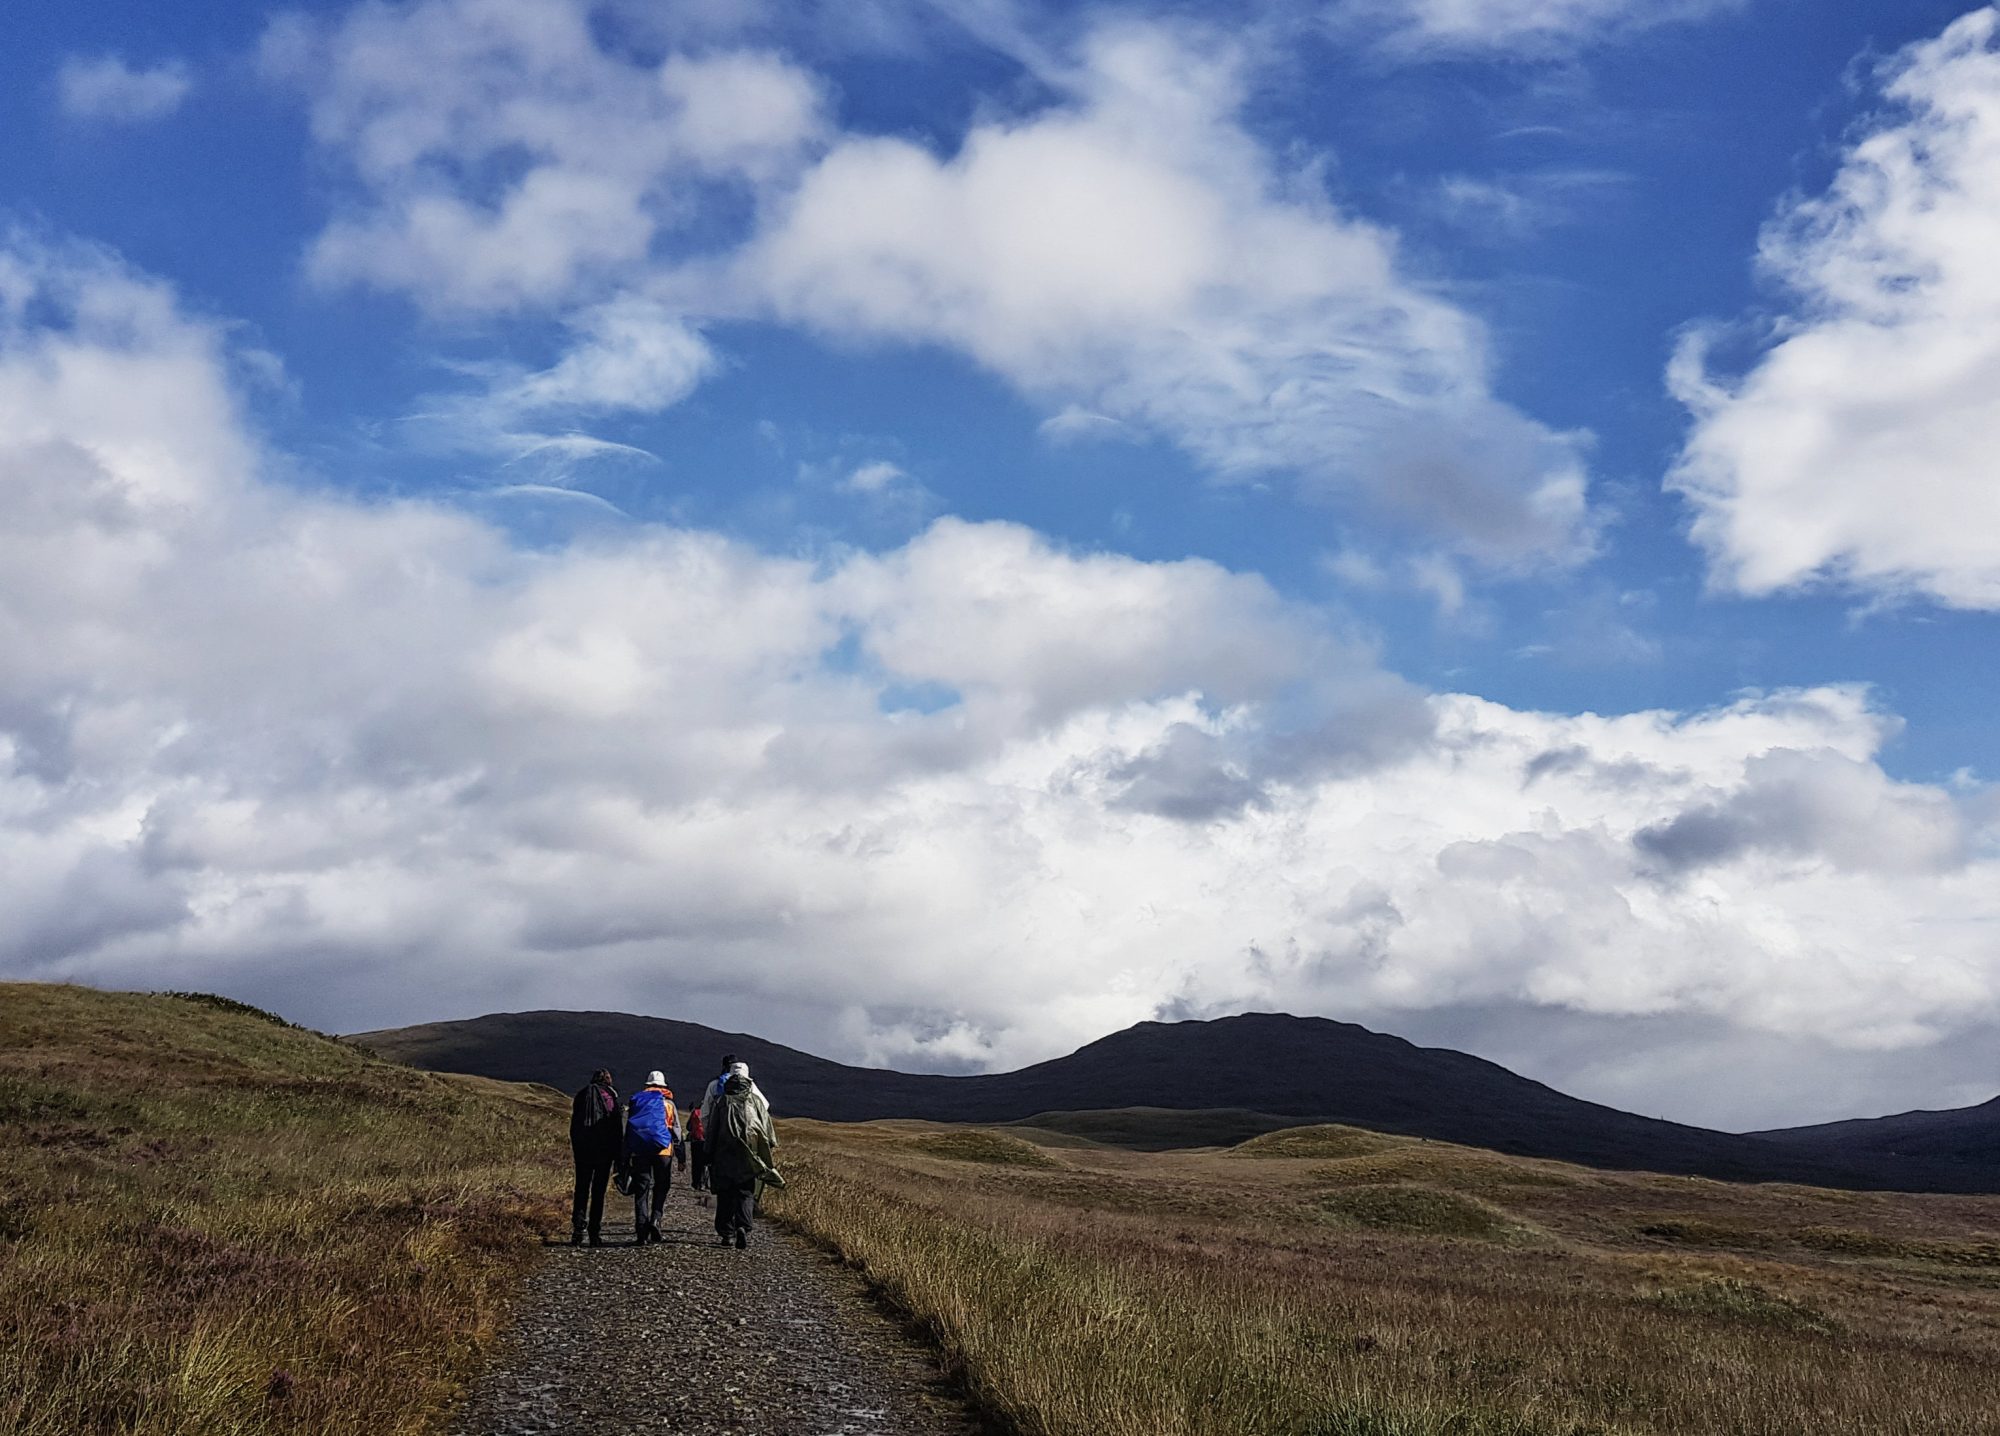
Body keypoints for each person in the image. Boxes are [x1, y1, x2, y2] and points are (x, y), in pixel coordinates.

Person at [707, 1068, 781, 1249]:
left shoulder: (721, 1101)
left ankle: (727, 1234)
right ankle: (743, 1226)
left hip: (724, 1154)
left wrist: (708, 1154)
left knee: (725, 1194)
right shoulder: (755, 1101)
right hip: (750, 1155)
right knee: (745, 1192)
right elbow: (766, 1128)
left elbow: (712, 1130)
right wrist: (768, 1150)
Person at [625, 1071, 680, 1246]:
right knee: (662, 1186)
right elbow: (676, 1131)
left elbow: (630, 1127)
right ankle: (656, 1218)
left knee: (642, 1190)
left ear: (647, 1085)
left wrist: (626, 1154)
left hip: (640, 1151)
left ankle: (641, 1231)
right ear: (663, 1086)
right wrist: (681, 1155)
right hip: (663, 1152)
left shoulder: (637, 1101)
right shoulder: (668, 1104)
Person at [568, 1068, 622, 1247]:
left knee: (581, 1188)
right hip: (603, 1152)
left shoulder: (582, 1094)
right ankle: (594, 1232)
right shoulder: (610, 1096)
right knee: (598, 1192)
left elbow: (574, 1125)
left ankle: (577, 1227)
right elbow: (616, 1128)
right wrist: (618, 1155)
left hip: (583, 1150)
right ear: (608, 1080)